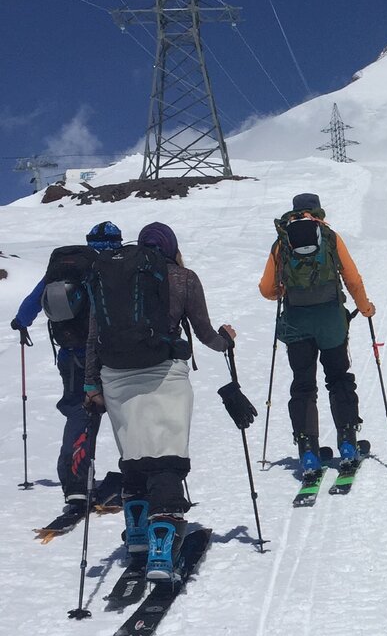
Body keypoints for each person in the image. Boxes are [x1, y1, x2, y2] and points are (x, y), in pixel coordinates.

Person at [84, 222, 236, 581]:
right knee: (166, 455)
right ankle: (161, 543)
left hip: (115, 376)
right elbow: (204, 333)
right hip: (164, 374)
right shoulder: (184, 278)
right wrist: (226, 341)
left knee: (134, 454)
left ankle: (137, 533)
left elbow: (94, 335)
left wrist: (91, 383)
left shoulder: (111, 279)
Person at [9, 221, 123, 517]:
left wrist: (21, 322)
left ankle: (76, 483)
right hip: (109, 354)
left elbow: (34, 300)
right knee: (127, 412)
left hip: (70, 355)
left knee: (79, 413)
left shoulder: (64, 267)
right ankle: (140, 475)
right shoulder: (109, 265)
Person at [258, 192, 375, 470]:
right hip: (331, 322)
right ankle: (347, 442)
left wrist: (284, 291)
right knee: (338, 378)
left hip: (297, 323)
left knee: (303, 384)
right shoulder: (329, 236)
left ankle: (307, 450)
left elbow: (266, 289)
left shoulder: (282, 240)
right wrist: (365, 307)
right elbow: (352, 278)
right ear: (318, 211)